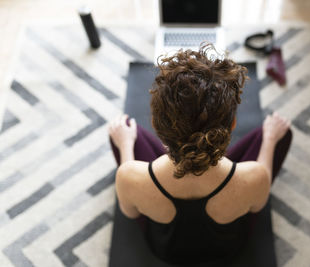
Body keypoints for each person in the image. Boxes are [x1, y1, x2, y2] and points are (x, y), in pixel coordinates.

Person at [108, 44, 292, 265]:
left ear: (157, 125)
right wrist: (270, 139)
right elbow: (257, 208)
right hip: (227, 250)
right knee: (282, 134)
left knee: (122, 130)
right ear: (232, 124)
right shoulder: (256, 176)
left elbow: (131, 214)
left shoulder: (128, 176)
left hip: (166, 250)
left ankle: (174, 143)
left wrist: (125, 145)